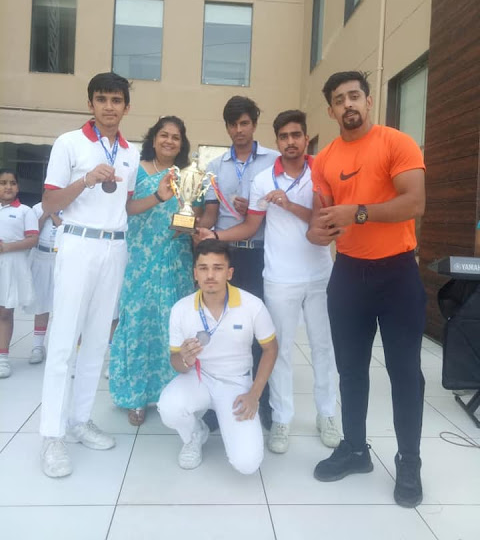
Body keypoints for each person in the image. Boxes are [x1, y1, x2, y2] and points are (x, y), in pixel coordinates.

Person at [307, 71, 426, 508]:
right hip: (349, 275)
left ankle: (409, 460)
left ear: (369, 101)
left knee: (405, 371)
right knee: (351, 370)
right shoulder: (324, 160)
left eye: (354, 96)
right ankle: (355, 450)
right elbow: (321, 220)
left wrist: (358, 212)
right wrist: (317, 232)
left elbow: (414, 202)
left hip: (397, 273)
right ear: (331, 110)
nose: (348, 104)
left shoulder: (397, 143)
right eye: (339, 100)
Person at [198, 110, 340, 453]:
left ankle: (327, 414)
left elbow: (324, 220)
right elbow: (250, 226)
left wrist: (288, 204)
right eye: (284, 136)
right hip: (279, 277)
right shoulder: (263, 180)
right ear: (277, 140)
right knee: (280, 350)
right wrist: (215, 235)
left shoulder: (322, 171)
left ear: (305, 138)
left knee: (324, 348)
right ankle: (281, 418)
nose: (290, 142)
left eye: (296, 135)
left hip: (320, 275)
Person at [39, 72, 140, 478]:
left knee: (98, 340)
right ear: (90, 104)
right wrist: (85, 180)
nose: (109, 107)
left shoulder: (131, 152)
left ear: (126, 107)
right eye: (102, 99)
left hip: (114, 247)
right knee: (64, 341)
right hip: (78, 243)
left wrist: (160, 197)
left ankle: (80, 421)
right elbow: (50, 202)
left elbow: (125, 206)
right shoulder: (69, 143)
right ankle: (52, 435)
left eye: (116, 100)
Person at [158, 239, 278, 473]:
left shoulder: (252, 305)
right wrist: (185, 359)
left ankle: (230, 426)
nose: (210, 275)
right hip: (199, 377)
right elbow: (176, 363)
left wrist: (254, 394)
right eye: (203, 268)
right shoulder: (181, 309)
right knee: (169, 408)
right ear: (195, 273)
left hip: (236, 383)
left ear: (229, 273)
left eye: (218, 268)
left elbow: (271, 349)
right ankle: (195, 434)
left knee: (247, 464)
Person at [198, 95, 278, 428]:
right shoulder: (215, 167)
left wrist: (259, 210)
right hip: (226, 254)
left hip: (262, 253)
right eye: (233, 124)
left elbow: (283, 208)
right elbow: (211, 214)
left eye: (244, 123)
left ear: (254, 124)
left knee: (260, 330)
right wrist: (196, 228)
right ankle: (215, 403)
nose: (239, 130)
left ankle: (263, 401)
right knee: (220, 328)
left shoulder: (274, 161)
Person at [109, 116, 195, 426]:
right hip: (141, 261)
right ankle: (136, 397)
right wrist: (158, 196)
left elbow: (193, 213)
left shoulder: (187, 175)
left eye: (176, 137)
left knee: (172, 326)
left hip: (175, 260)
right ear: (154, 138)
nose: (169, 141)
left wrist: (187, 224)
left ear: (182, 144)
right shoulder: (136, 169)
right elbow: (126, 209)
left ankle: (173, 396)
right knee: (138, 325)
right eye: (164, 135)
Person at [0, 168, 39, 378]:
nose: (8, 187)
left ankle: (3, 358)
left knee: (5, 312)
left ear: (18, 187)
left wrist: (7, 247)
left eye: (12, 183)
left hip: (12, 265)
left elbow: (32, 240)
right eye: (3, 183)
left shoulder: (25, 211)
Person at [27, 203, 62, 364]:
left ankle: (59, 347)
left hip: (62, 257)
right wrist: (45, 214)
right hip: (41, 255)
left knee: (63, 305)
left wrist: (53, 214)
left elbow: (66, 230)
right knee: (41, 303)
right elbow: (31, 233)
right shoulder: (36, 208)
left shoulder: (72, 205)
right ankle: (37, 346)